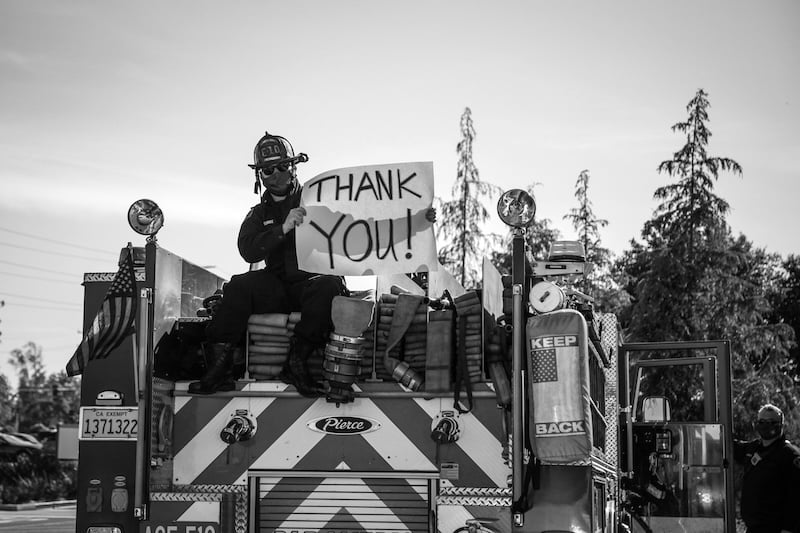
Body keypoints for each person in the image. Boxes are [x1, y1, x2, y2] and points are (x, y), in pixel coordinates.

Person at [188, 131, 348, 396]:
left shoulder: (319, 202)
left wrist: (417, 217)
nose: (276, 174)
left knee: (330, 286)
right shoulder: (258, 213)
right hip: (277, 286)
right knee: (239, 285)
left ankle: (297, 363)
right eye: (268, 170)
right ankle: (219, 370)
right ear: (259, 175)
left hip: (312, 284)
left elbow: (358, 226)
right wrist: (282, 229)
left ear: (294, 166)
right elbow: (248, 250)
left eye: (282, 166)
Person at [733, 403, 800, 533]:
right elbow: (729, 446)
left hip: (776, 528)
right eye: (761, 422)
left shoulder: (790, 456)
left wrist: (788, 529)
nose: (765, 425)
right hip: (753, 528)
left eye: (771, 422)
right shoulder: (753, 448)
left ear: (781, 425)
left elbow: (796, 498)